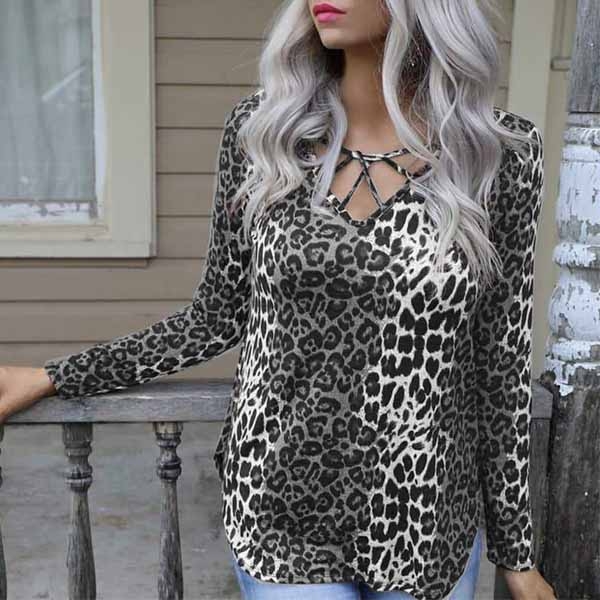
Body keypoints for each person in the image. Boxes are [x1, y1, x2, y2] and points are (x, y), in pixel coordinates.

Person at [0, 1, 557, 599]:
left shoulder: (496, 155)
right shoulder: (268, 137)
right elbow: (214, 317)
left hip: (425, 513)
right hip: (279, 507)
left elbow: (500, 366)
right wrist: (57, 375)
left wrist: (515, 553)